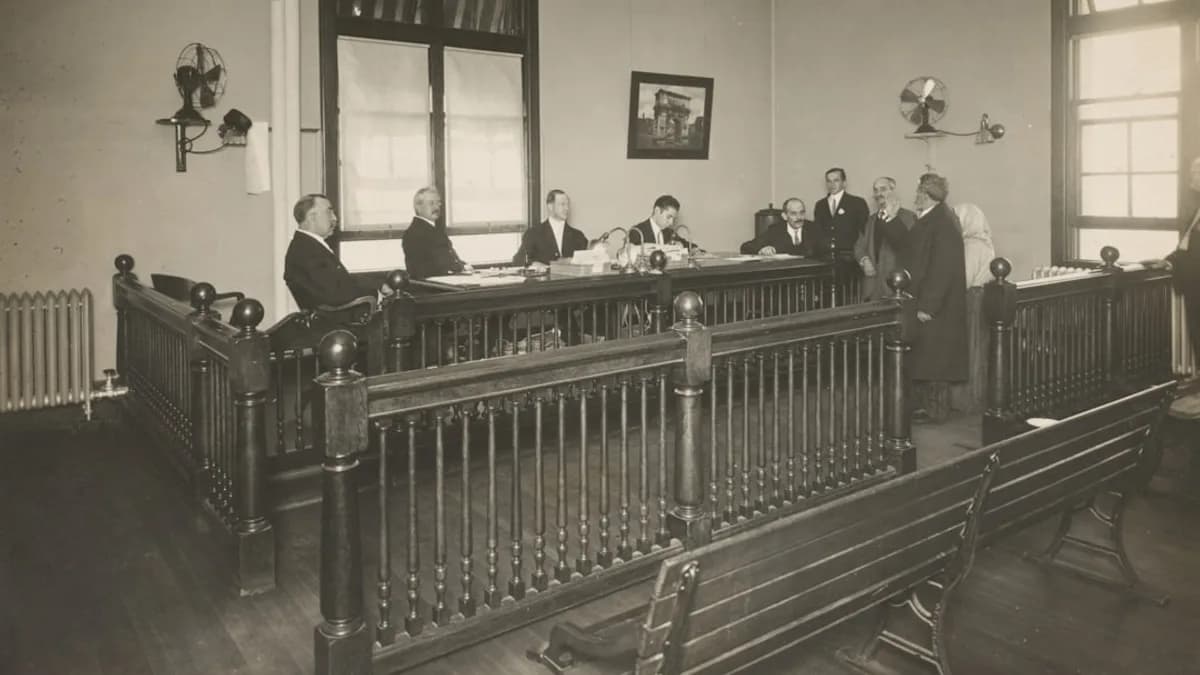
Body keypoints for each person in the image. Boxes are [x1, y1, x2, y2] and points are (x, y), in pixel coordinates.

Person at [892, 173, 968, 423]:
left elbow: (943, 269)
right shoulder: (935, 218)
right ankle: (927, 409)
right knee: (928, 357)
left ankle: (935, 412)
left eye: (920, 193)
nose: (916, 197)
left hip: (935, 306)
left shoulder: (942, 222)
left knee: (935, 360)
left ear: (928, 196)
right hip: (927, 301)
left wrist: (928, 306)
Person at [283, 193, 389, 311]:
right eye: (329, 212)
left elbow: (342, 281)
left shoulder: (307, 245)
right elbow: (336, 294)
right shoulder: (306, 251)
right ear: (312, 217)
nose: (335, 218)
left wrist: (378, 284)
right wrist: (376, 294)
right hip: (340, 322)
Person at [949, 203, 997, 414]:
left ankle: (965, 401)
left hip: (971, 301)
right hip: (982, 299)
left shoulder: (971, 246)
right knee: (977, 349)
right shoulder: (985, 243)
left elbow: (963, 280)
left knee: (968, 350)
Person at [854, 177, 915, 300]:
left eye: (883, 189)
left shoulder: (909, 217)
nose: (878, 194)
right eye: (875, 190)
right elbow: (859, 246)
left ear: (893, 191)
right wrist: (864, 260)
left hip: (897, 289)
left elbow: (911, 249)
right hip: (872, 288)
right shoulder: (870, 220)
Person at [1166, 156, 1200, 363]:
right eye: (1193, 170)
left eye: (1198, 171)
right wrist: (1169, 260)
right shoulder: (1195, 209)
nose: (1193, 176)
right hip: (1194, 283)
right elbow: (1186, 246)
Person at [402, 186, 472, 280]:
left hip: (448, 282)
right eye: (432, 203)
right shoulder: (414, 234)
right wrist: (459, 268)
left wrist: (464, 266)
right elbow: (422, 270)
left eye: (438, 203)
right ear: (418, 207)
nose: (437, 207)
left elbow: (448, 259)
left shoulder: (435, 229)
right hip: (432, 289)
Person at [513, 189, 589, 270]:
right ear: (550, 206)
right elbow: (518, 260)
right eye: (562, 204)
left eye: (568, 204)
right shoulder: (533, 233)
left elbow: (588, 260)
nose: (567, 208)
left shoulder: (578, 235)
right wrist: (533, 264)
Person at [813, 168, 870, 258]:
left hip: (851, 257)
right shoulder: (820, 205)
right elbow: (818, 232)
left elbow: (864, 232)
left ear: (844, 183)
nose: (832, 184)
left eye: (836, 180)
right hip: (826, 257)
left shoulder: (857, 203)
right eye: (829, 181)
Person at [740, 197, 814, 255]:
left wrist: (777, 249)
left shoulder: (813, 228)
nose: (799, 217)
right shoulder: (776, 230)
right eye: (793, 213)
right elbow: (746, 247)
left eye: (802, 213)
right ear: (784, 216)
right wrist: (761, 250)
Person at [631, 195, 698, 250]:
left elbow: (689, 245)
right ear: (657, 211)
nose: (671, 223)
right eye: (668, 217)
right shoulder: (637, 232)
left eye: (673, 219)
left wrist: (684, 246)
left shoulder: (670, 232)